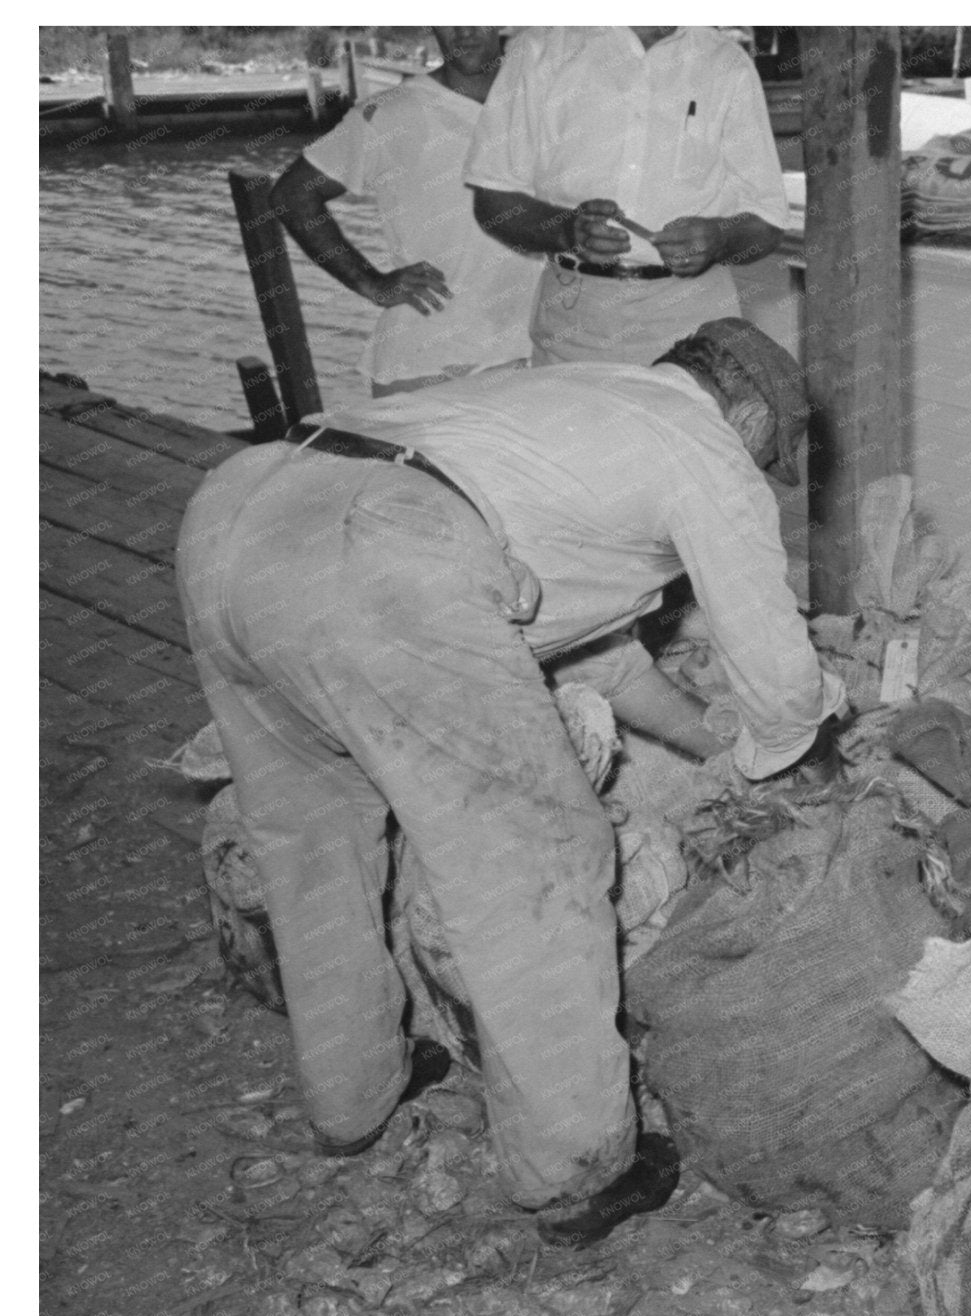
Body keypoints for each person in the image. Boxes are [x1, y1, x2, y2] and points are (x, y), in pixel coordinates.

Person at [176, 318, 844, 1247]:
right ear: (748, 416)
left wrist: (715, 747)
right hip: (379, 546)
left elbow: (593, 653)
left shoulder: (579, 405)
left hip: (238, 511)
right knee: (538, 852)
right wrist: (797, 751)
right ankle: (576, 1169)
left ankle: (352, 1098)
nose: (758, 471)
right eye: (766, 456)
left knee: (309, 831)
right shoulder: (703, 441)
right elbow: (778, 674)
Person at [463, 26, 789, 366]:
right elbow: (493, 197)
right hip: (574, 321)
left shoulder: (727, 63)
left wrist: (720, 239)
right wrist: (565, 231)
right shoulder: (541, 48)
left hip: (694, 325)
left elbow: (768, 221)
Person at [272, 27, 539, 397]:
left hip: (536, 351)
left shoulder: (540, 103)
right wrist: (370, 282)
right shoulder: (391, 112)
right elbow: (293, 193)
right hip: (428, 363)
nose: (464, 29)